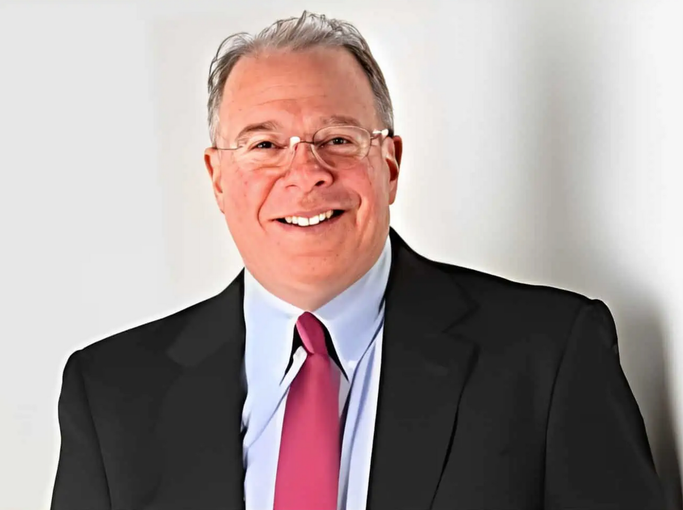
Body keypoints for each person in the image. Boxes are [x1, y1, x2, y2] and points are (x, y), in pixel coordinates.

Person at [51, 11, 665, 510]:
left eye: (339, 139)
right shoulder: (111, 396)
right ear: (217, 178)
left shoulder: (548, 358)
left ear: (389, 166)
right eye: (264, 145)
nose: (306, 173)